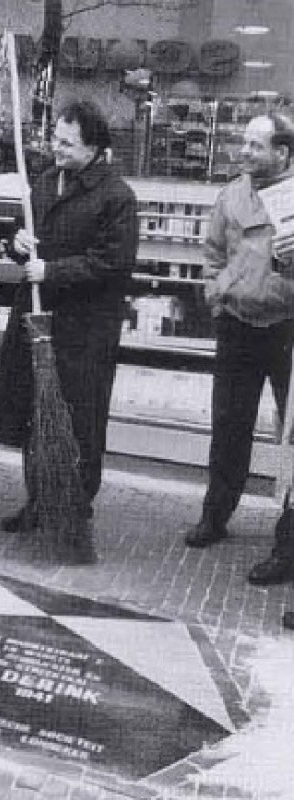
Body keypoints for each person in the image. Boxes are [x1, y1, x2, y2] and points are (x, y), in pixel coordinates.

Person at [0, 100, 138, 562]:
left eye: (67, 143)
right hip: (38, 323)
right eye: (54, 139)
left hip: (83, 332)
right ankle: (38, 499)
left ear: (94, 146)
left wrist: (50, 270)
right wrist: (17, 244)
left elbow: (113, 263)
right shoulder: (46, 183)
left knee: (78, 420)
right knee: (37, 414)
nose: (56, 148)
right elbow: (19, 242)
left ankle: (73, 507)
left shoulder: (117, 196)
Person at [184, 112, 294, 579]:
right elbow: (211, 252)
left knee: (291, 441)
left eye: (257, 145)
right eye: (244, 143)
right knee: (229, 425)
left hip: (287, 328)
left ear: (284, 152)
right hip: (236, 324)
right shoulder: (231, 193)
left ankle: (287, 545)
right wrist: (217, 295)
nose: (245, 152)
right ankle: (216, 514)